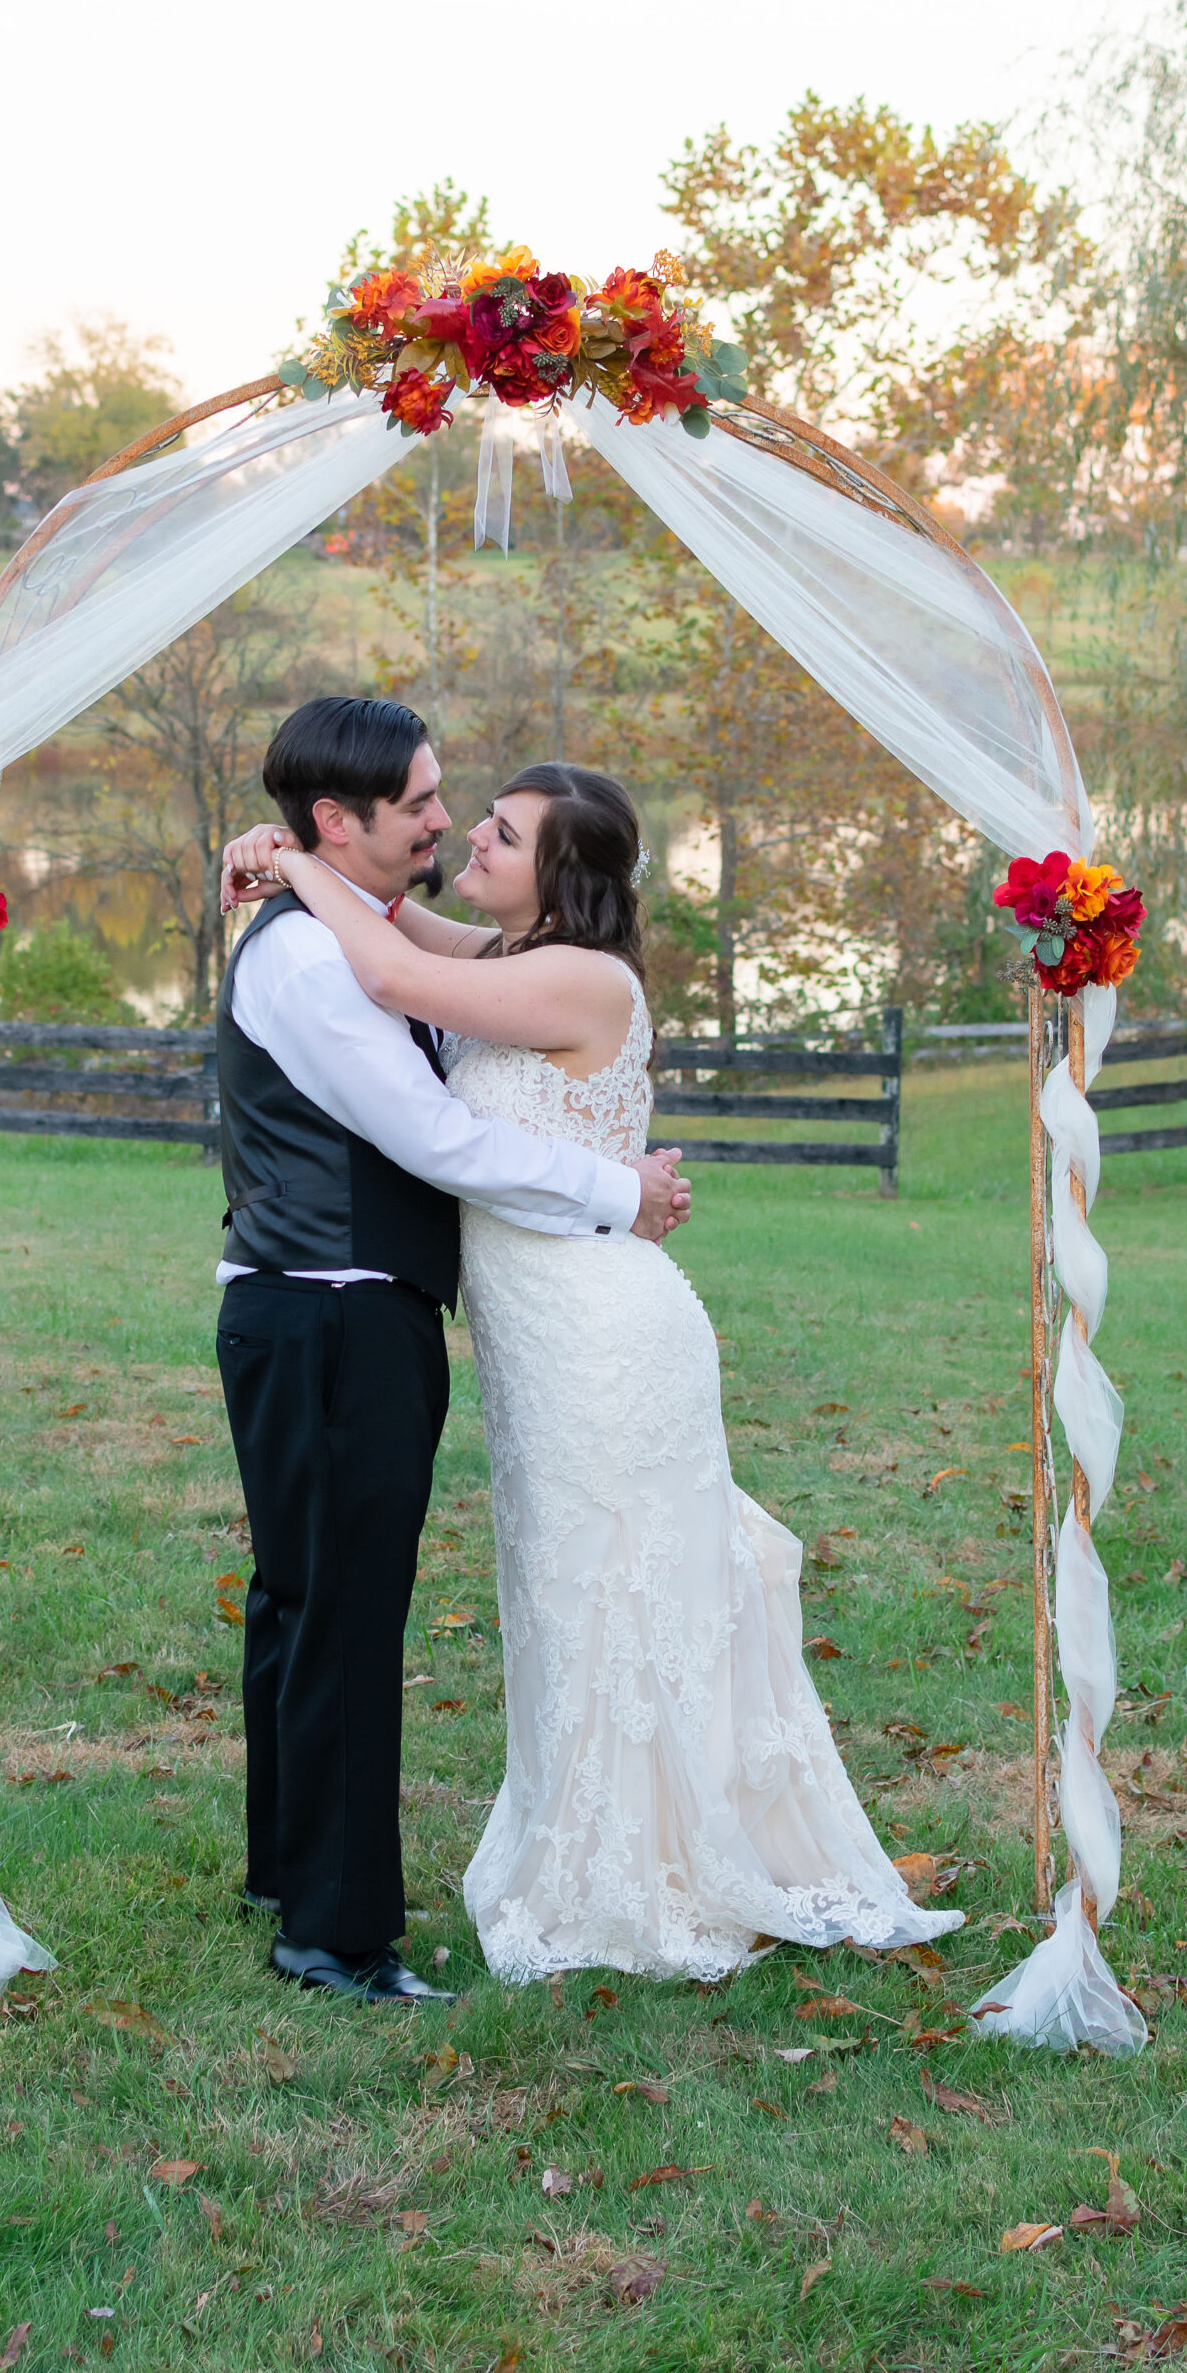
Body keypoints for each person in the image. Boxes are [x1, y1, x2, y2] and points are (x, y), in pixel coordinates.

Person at [223, 761, 963, 1981]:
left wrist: (297, 858)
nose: (470, 837)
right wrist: (287, 849)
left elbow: (393, 972)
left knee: (621, 1591)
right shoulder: (512, 954)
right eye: (474, 819)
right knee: (568, 1600)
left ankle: (657, 1869)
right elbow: (391, 920)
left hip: (603, 1338)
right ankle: (607, 1850)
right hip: (540, 1339)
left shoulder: (578, 976)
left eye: (504, 835)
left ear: (561, 876)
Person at [212, 700, 692, 2007]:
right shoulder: (313, 962)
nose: (443, 819)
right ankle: (335, 1933)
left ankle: (292, 1870)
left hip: (337, 1310)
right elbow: (435, 1139)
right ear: (339, 819)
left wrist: (282, 857)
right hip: (332, 1312)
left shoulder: (360, 929)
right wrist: (617, 1189)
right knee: (342, 1616)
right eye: (422, 801)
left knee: (306, 1601)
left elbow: (420, 968)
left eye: (453, 803)